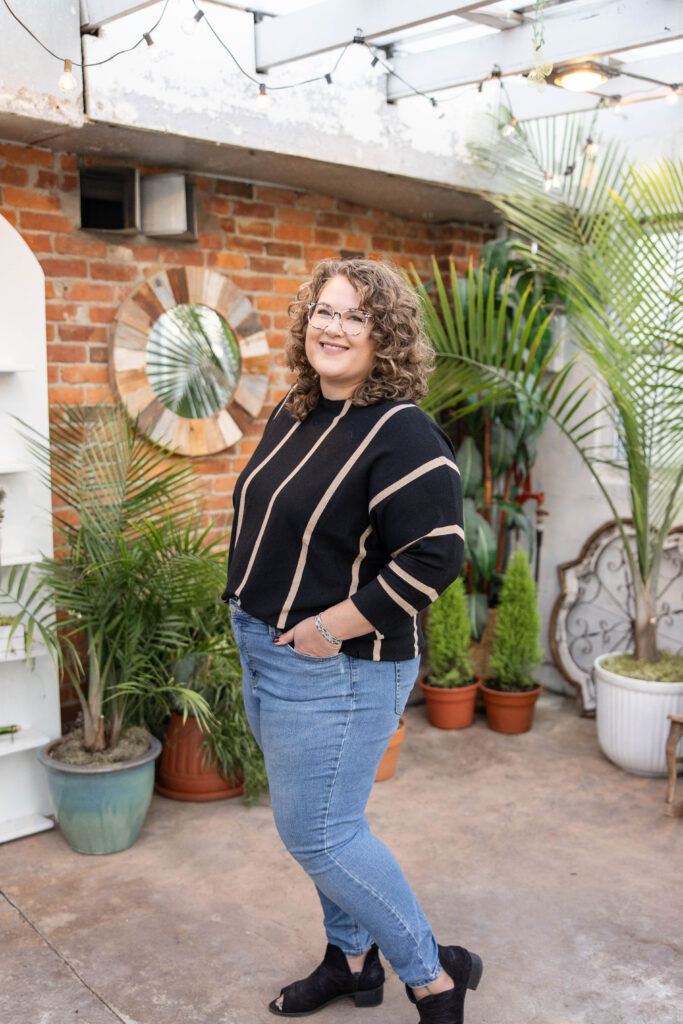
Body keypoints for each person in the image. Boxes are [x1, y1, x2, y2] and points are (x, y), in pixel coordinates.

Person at [223, 258, 482, 1023]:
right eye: (323, 311)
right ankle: (352, 960)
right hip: (266, 649)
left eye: (355, 316)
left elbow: (436, 556)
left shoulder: (402, 432)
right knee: (324, 828)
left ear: (384, 336)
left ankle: (432, 977)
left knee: (321, 835)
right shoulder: (297, 409)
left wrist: (324, 629)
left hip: (336, 667)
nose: (332, 328)